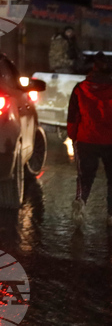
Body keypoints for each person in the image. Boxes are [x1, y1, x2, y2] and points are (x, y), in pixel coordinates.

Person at [68, 51, 112, 228]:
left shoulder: (80, 89)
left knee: (85, 176)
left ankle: (81, 201)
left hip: (86, 139)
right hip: (110, 141)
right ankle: (111, 215)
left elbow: (73, 116)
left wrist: (73, 136)